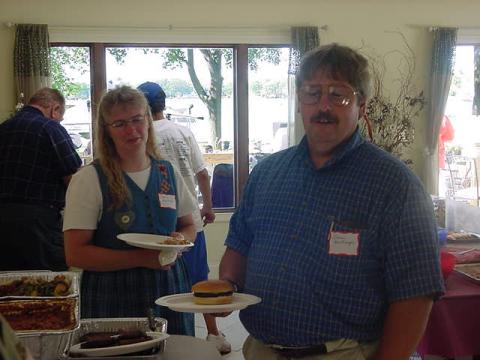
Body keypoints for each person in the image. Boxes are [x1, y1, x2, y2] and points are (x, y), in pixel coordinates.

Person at [218, 44, 445, 360]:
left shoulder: (395, 185)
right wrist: (224, 287)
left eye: (339, 94)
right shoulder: (267, 173)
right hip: (261, 350)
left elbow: (416, 293)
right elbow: (240, 244)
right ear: (299, 102)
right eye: (312, 93)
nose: (323, 105)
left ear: (362, 106)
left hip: (344, 353)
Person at [63, 86, 196, 335]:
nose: (132, 130)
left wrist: (178, 242)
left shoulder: (167, 173)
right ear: (107, 131)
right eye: (120, 124)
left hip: (169, 288)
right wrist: (142, 259)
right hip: (112, 293)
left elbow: (188, 225)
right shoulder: (90, 179)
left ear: (148, 120)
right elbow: (75, 254)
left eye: (137, 119)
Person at [137, 81, 232, 354]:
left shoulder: (141, 134)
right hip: (190, 221)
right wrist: (208, 206)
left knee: (159, 281)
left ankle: (155, 335)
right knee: (199, 281)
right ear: (163, 104)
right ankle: (214, 335)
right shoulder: (183, 132)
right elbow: (202, 173)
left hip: (156, 226)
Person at [0, 87, 82, 271]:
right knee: (48, 286)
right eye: (60, 116)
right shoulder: (51, 128)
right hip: (38, 224)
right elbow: (74, 178)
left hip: (2, 221)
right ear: (55, 109)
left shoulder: (3, 127)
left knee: (8, 286)